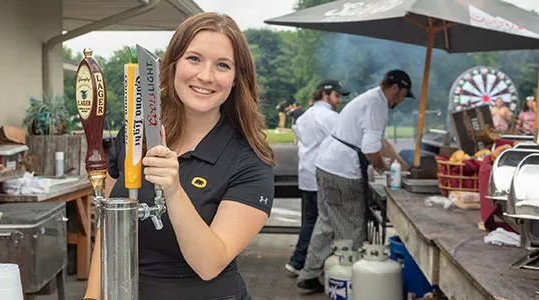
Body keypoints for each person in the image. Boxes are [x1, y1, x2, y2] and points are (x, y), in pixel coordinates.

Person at [83, 12, 275, 300]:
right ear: (172, 64)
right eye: (194, 58)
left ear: (236, 79)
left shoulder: (249, 160)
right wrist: (92, 296)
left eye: (222, 65)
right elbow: (111, 228)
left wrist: (173, 190)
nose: (205, 76)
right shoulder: (136, 133)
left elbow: (209, 263)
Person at [297, 70, 415, 291]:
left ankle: (309, 274)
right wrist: (383, 169)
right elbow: (371, 149)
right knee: (352, 227)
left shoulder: (372, 100)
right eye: (403, 95)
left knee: (326, 221)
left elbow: (382, 143)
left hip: (326, 165)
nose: (401, 101)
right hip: (342, 171)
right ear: (396, 88)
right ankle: (356, 286)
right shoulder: (377, 105)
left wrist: (405, 167)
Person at [285, 80, 349, 276]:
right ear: (325, 94)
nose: (338, 101)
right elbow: (344, 143)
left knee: (311, 219)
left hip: (306, 173)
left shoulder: (305, 116)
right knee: (321, 222)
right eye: (337, 96)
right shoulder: (329, 117)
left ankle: (299, 261)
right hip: (322, 174)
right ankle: (305, 263)